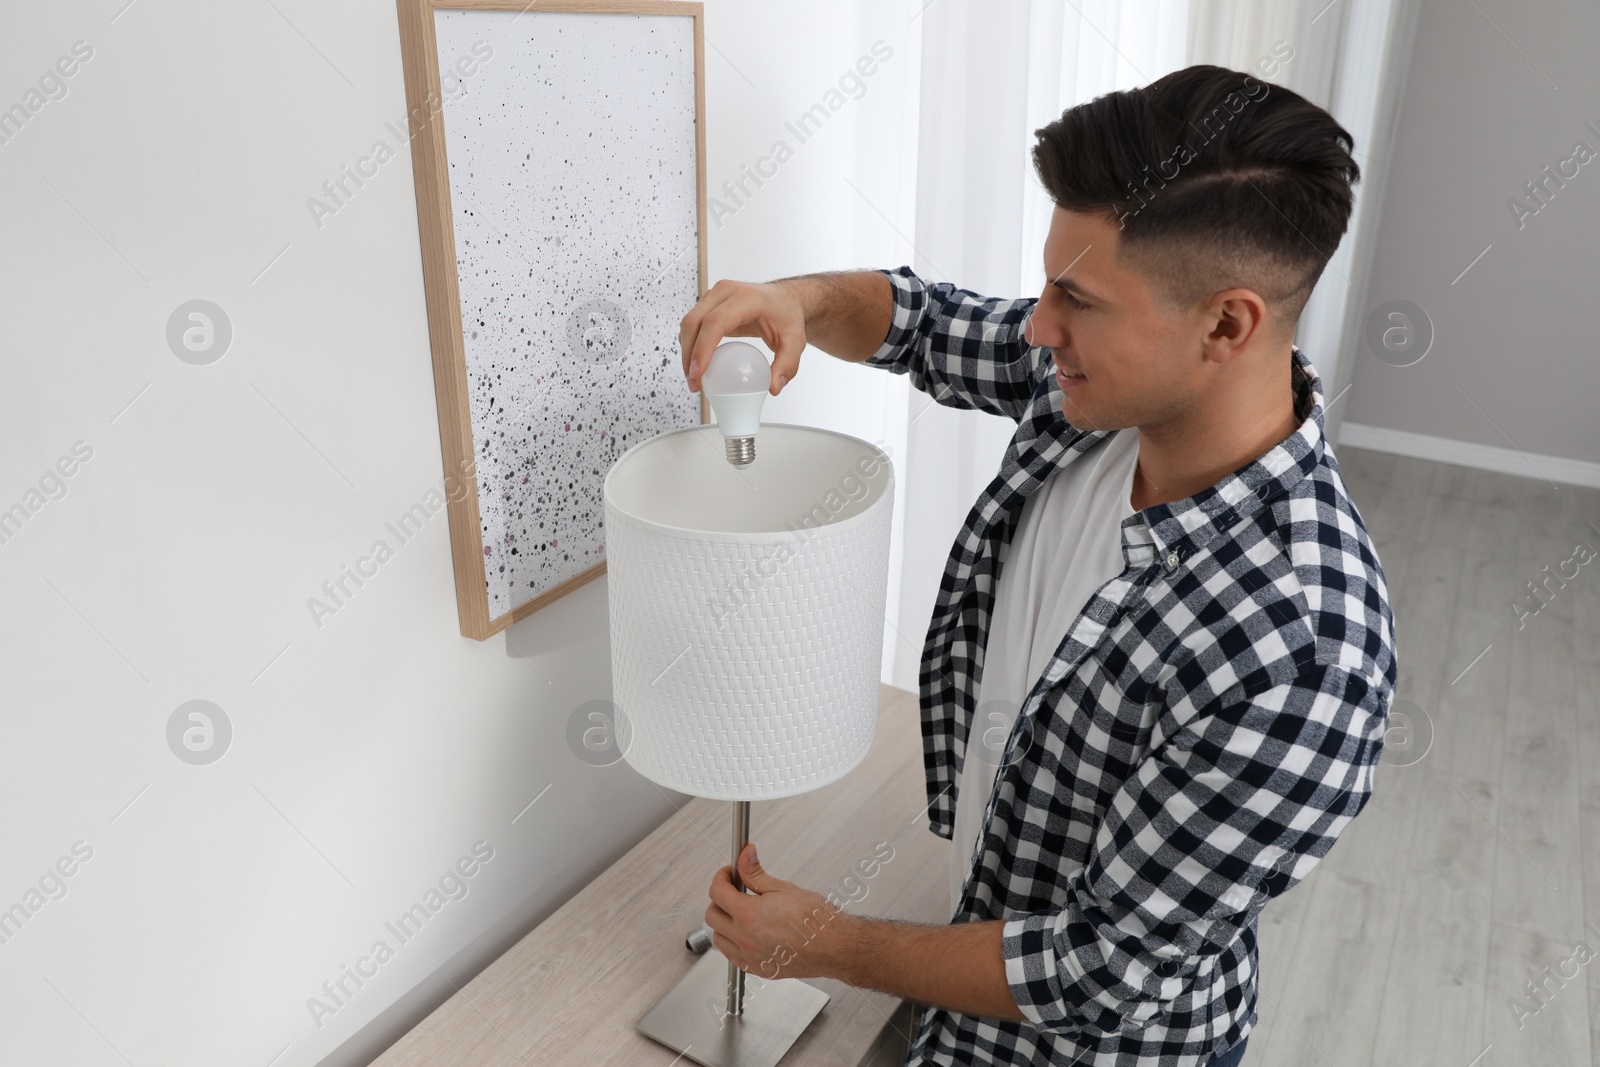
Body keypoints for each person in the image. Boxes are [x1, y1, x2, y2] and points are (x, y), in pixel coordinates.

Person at [682, 63, 1395, 1067]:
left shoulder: (1303, 647)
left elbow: (1101, 968)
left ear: (1226, 323)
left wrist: (831, 944)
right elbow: (923, 323)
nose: (1035, 326)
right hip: (969, 960)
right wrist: (789, 299)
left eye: (1074, 298)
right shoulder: (1097, 398)